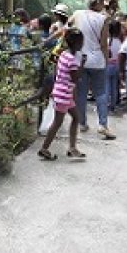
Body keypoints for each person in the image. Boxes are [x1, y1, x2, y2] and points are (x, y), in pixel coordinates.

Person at [68, 0, 116, 140]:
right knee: (100, 93)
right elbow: (103, 43)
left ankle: (82, 123)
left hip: (80, 59)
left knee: (81, 93)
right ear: (99, 3)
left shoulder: (77, 14)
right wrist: (105, 60)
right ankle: (102, 125)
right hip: (97, 60)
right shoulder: (103, 19)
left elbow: (69, 26)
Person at [38, 27, 87, 160]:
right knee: (57, 122)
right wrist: (82, 63)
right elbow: (75, 78)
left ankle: (72, 148)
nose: (83, 44)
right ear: (76, 43)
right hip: (64, 94)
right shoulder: (71, 59)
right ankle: (44, 148)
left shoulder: (63, 54)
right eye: (81, 41)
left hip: (62, 92)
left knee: (76, 118)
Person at [106, 20, 122, 114]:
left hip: (107, 65)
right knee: (114, 86)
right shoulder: (119, 42)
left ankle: (107, 105)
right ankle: (112, 105)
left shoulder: (107, 41)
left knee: (107, 86)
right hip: (116, 66)